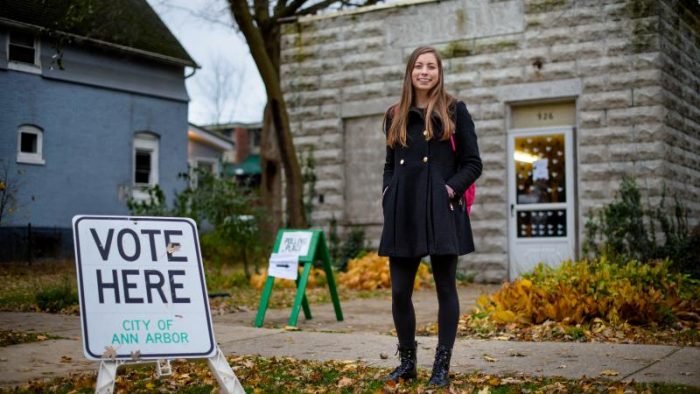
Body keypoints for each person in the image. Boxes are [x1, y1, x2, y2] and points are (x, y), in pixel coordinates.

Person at [379, 46, 482, 387]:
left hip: (441, 209)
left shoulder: (454, 110)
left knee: (445, 289)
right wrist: (388, 195)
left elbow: (472, 163)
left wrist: (449, 191)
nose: (424, 72)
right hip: (404, 210)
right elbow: (390, 165)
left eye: (431, 67)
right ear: (410, 72)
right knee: (399, 292)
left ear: (440, 73)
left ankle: (441, 366)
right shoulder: (395, 114)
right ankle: (407, 363)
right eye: (419, 66)